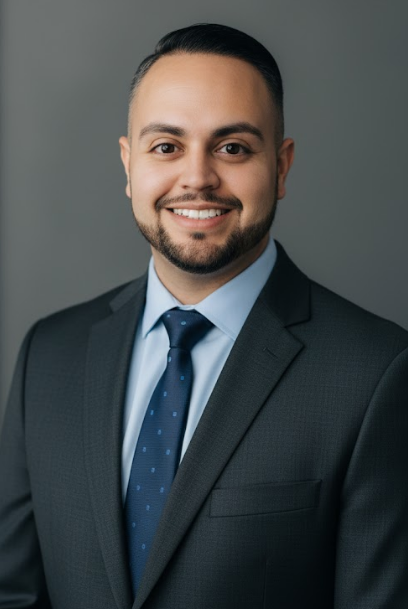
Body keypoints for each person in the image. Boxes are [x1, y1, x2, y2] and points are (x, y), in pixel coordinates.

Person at [0, 22, 407, 609]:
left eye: (233, 147)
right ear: (128, 163)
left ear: (283, 166)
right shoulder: (50, 353)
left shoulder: (376, 374)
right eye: (166, 146)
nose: (197, 177)